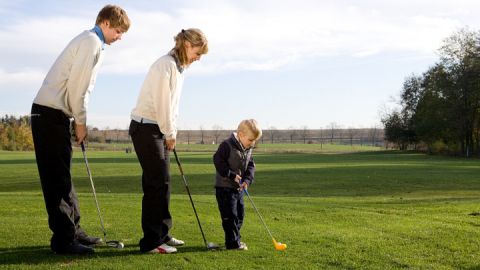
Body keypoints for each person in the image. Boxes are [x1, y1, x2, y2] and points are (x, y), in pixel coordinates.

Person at [30, 5, 130, 255]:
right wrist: (82, 123)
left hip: (56, 115)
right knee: (57, 180)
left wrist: (75, 120)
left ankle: (74, 231)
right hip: (49, 114)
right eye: (118, 31)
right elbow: (78, 88)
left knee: (64, 177)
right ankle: (63, 241)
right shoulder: (91, 42)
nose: (120, 37)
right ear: (105, 23)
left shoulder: (92, 42)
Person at [129, 28, 208, 254]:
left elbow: (172, 107)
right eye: (197, 52)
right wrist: (170, 133)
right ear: (186, 45)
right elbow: (163, 104)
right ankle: (152, 242)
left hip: (157, 129)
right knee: (156, 183)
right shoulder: (166, 65)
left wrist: (172, 130)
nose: (199, 57)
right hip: (146, 128)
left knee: (162, 183)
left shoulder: (178, 68)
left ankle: (162, 233)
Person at [213, 119, 262, 250]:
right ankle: (233, 243)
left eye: (254, 141)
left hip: (238, 189)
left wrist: (247, 180)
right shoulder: (226, 145)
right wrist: (231, 174)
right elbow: (218, 161)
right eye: (251, 140)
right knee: (230, 217)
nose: (253, 143)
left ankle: (234, 240)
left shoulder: (247, 148)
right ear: (240, 135)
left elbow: (251, 166)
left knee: (240, 215)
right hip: (224, 188)